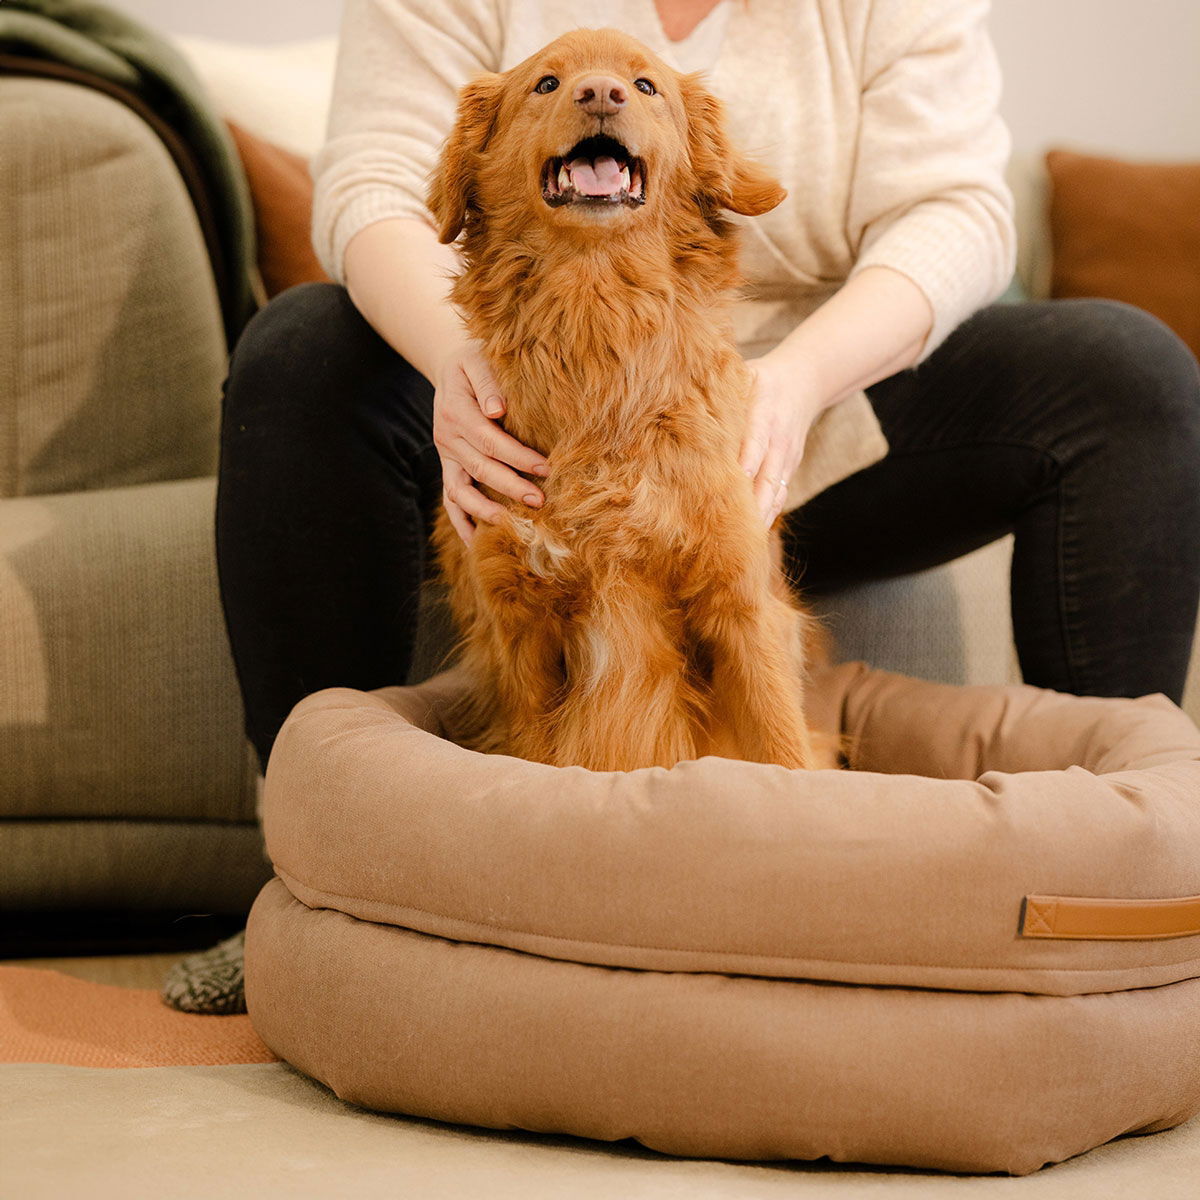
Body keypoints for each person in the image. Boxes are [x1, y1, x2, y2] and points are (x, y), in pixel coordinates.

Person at [162, 0, 1200, 1013]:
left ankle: (1120, 885)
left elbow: (960, 208)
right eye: (562, 84)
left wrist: (795, 383)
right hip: (511, 395)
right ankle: (306, 881)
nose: (601, 94)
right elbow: (374, 180)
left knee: (1131, 373)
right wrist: (458, 372)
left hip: (818, 393)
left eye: (631, 87)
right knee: (297, 353)